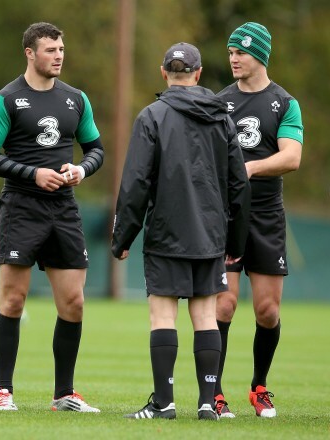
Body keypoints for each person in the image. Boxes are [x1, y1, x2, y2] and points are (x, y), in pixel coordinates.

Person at [112, 42, 250, 421]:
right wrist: (235, 241)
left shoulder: (152, 116)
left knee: (162, 317)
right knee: (205, 317)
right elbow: (239, 183)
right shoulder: (222, 117)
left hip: (166, 233)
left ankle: (164, 402)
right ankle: (208, 403)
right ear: (199, 74)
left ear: (163, 74)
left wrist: (123, 236)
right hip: (210, 235)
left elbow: (135, 183)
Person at [0, 22, 104, 412]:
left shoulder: (76, 99)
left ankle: (64, 393)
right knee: (13, 300)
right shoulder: (7, 99)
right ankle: (4, 392)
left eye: (61, 48)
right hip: (21, 207)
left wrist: (82, 170)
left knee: (74, 303)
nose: (59, 55)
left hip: (63, 210)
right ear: (30, 53)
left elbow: (96, 149)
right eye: (50, 49)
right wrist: (32, 173)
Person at [214, 22, 303, 418]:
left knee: (267, 310)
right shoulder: (218, 102)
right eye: (231, 51)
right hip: (226, 215)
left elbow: (292, 157)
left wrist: (249, 169)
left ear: (260, 56)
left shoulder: (284, 103)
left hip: (266, 215)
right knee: (225, 305)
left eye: (242, 52)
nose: (234, 58)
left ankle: (259, 387)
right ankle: (212, 392)